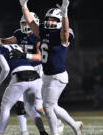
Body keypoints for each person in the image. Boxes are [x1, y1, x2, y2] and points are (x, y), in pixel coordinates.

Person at [12, 0, 84, 134]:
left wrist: (65, 14)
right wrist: (24, 6)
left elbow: (65, 31)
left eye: (53, 19)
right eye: (48, 19)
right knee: (53, 106)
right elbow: (31, 23)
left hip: (58, 76)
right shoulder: (44, 32)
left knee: (47, 107)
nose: (50, 21)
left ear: (60, 21)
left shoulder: (62, 35)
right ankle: (75, 125)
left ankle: (54, 133)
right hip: (46, 75)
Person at [0, 13, 64, 135]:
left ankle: (56, 121)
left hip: (38, 71)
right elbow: (8, 41)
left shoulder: (38, 36)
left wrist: (24, 55)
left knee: (39, 107)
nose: (25, 25)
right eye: (23, 23)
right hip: (24, 70)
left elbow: (39, 57)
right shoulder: (19, 33)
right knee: (20, 104)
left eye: (28, 22)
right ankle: (25, 131)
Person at [0, 36, 49, 135]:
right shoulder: (16, 46)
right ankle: (43, 132)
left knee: (5, 106)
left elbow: (5, 69)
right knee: (30, 108)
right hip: (35, 75)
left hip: (20, 76)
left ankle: (0, 133)